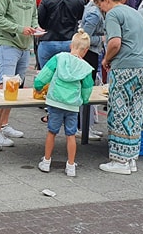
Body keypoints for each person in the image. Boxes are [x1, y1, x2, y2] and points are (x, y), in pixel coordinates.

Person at [95, 0, 143, 175]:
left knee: (119, 110)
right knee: (135, 111)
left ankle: (119, 159)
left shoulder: (113, 14)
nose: (102, 10)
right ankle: (131, 158)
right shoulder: (134, 12)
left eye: (100, 6)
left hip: (126, 66)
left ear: (105, 0)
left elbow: (115, 42)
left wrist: (106, 59)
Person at [0, 0, 39, 148]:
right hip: (8, 43)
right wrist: (19, 28)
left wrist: (34, 27)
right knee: (6, 87)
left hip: (25, 45)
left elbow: (34, 14)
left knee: (15, 88)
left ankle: (4, 124)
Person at [33, 31, 94, 177]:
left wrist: (38, 86)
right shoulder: (85, 67)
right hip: (72, 105)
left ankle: (46, 161)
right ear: (85, 51)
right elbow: (87, 88)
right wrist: (84, 100)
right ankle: (71, 165)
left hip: (55, 101)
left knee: (52, 132)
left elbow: (44, 75)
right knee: (70, 134)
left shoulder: (59, 58)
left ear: (71, 45)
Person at [37, 0, 85, 68]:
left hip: (49, 41)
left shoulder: (46, 1)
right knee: (67, 76)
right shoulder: (78, 1)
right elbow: (79, 19)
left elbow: (41, 22)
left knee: (45, 77)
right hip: (70, 42)